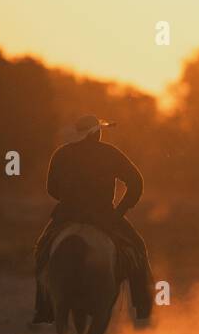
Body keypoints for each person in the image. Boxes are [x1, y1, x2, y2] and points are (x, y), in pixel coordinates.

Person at [31, 115, 153, 323]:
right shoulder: (111, 154)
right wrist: (120, 210)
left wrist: (71, 200)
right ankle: (142, 303)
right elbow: (136, 182)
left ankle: (44, 307)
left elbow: (51, 188)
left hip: (67, 215)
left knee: (42, 251)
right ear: (95, 134)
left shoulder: (61, 154)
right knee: (138, 249)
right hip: (104, 216)